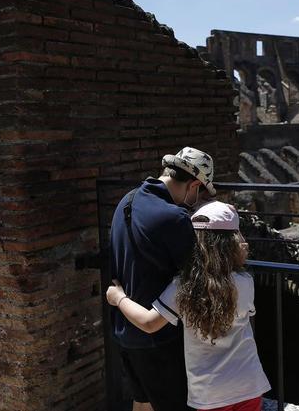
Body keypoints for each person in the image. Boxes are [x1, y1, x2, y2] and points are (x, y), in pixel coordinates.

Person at [107, 201, 271, 411]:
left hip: (209, 392)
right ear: (233, 243)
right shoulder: (244, 282)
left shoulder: (184, 286)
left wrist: (118, 298)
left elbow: (148, 323)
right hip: (248, 384)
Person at [109, 146, 217, 411]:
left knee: (142, 402)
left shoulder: (128, 200)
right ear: (193, 185)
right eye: (201, 192)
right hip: (159, 336)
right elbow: (196, 274)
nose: (198, 199)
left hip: (125, 329)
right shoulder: (175, 218)